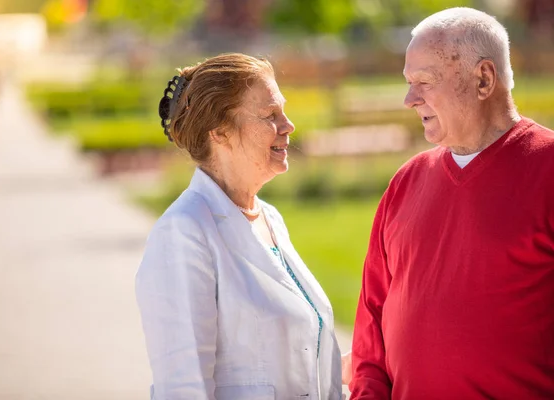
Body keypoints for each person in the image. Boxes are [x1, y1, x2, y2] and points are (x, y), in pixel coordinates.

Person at [347, 7, 554, 399]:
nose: (410, 99)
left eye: (424, 81)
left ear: (483, 79)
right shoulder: (405, 184)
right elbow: (371, 330)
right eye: (408, 83)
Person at [135, 53, 344, 399]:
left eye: (283, 111)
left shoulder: (270, 219)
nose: (288, 125)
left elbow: (294, 359)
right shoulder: (183, 233)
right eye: (270, 116)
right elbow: (183, 388)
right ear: (220, 132)